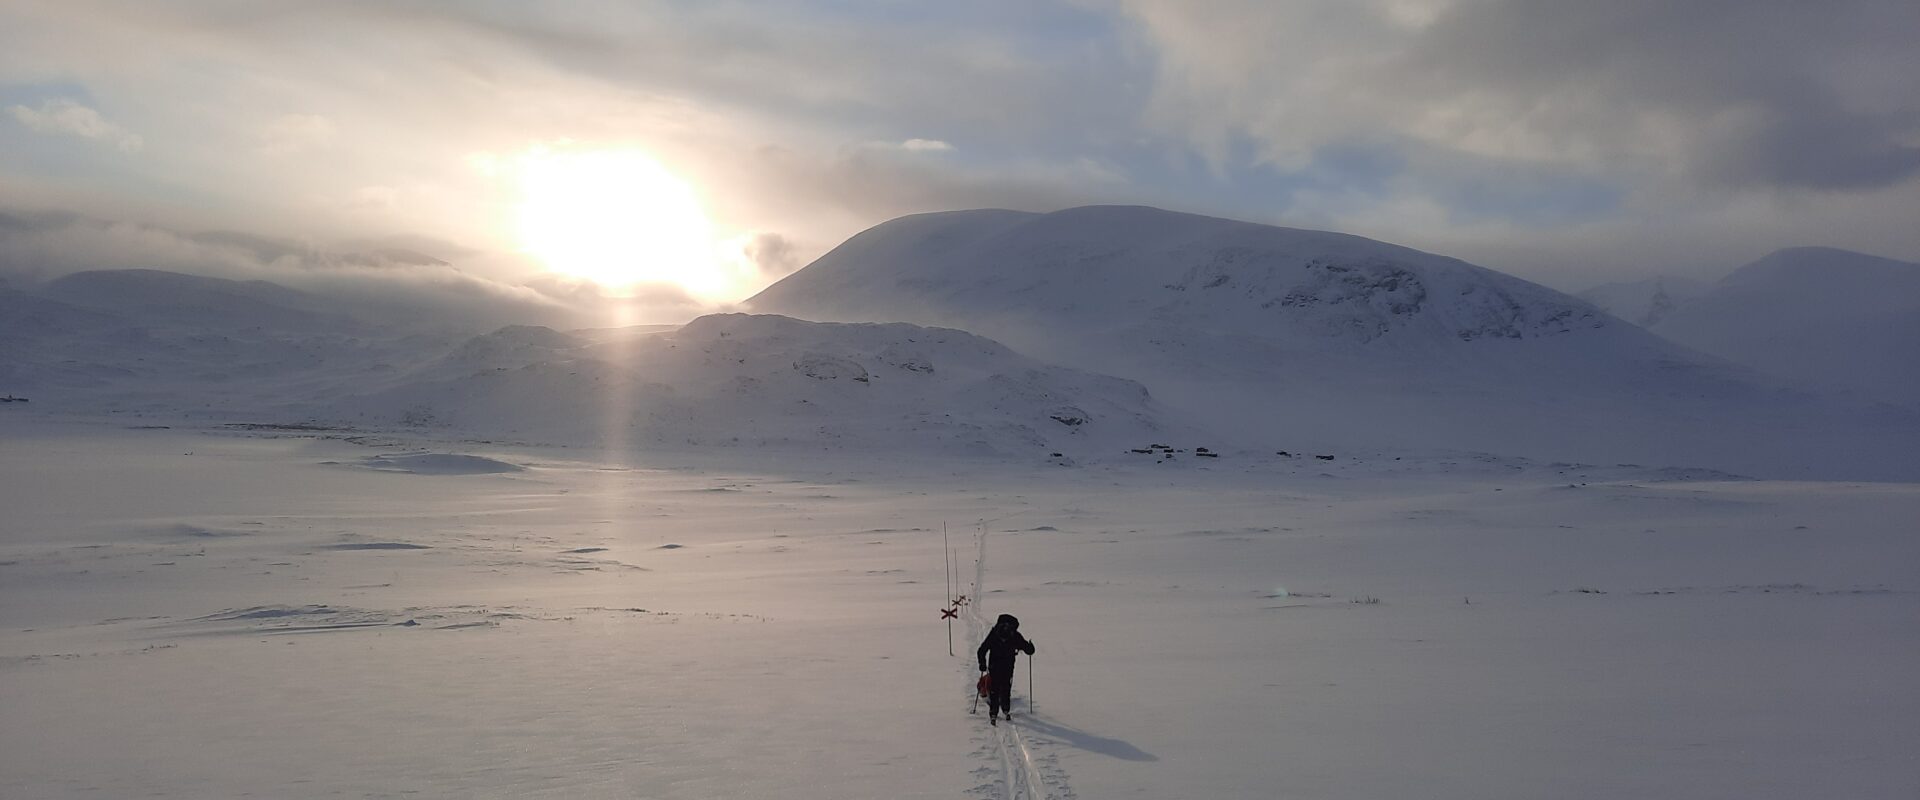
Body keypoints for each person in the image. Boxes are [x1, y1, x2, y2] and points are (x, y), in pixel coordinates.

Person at [976, 613, 1035, 725]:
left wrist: (982, 663)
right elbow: (1027, 649)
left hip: (994, 665)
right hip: (1008, 666)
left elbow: (982, 650)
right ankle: (1005, 708)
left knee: (995, 688)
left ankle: (994, 712)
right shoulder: (1014, 635)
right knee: (1006, 687)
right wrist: (1030, 648)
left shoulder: (994, 633)